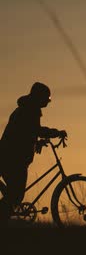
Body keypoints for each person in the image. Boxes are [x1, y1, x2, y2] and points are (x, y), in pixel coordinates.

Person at [0, 82, 67, 223]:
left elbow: (24, 132)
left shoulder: (25, 109)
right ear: (39, 98)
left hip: (9, 155)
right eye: (47, 99)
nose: (48, 102)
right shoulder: (30, 110)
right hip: (13, 158)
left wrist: (36, 142)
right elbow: (35, 130)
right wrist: (56, 133)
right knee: (16, 195)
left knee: (14, 194)